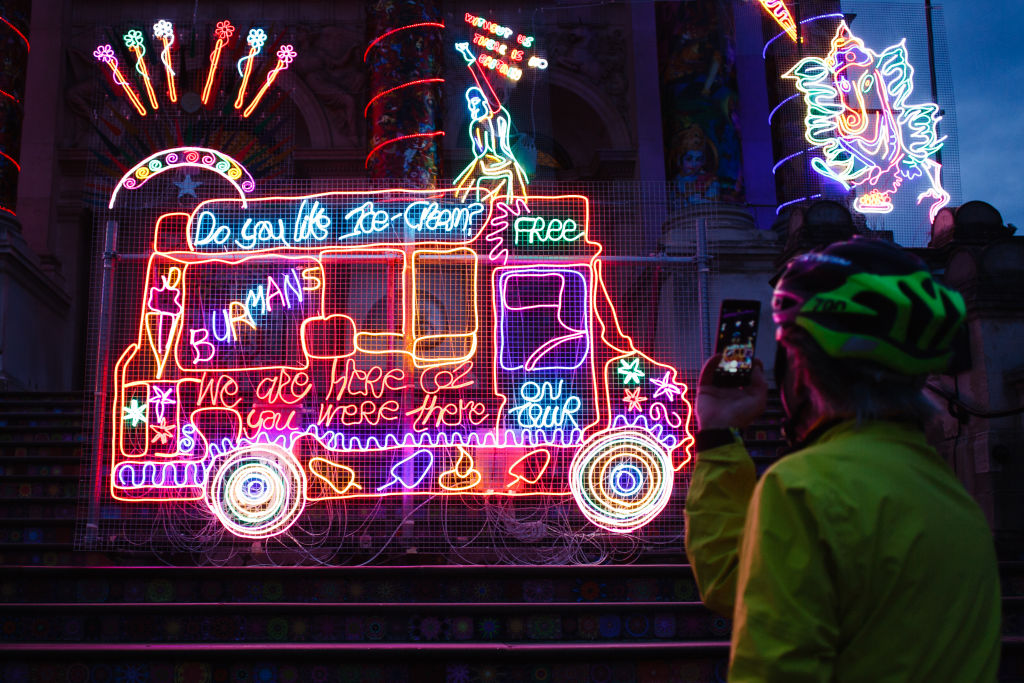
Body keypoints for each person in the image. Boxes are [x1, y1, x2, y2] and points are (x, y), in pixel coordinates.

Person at [685, 237, 1001, 681]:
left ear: (802, 367)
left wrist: (715, 437)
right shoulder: (954, 499)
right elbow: (750, 585)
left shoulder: (804, 488)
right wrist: (718, 433)